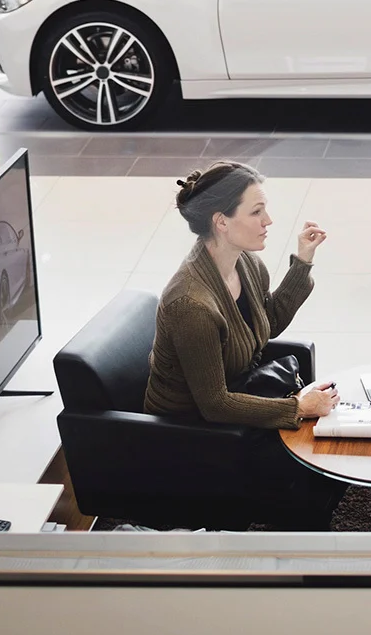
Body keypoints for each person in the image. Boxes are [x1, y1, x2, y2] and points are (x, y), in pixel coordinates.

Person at [145, 161, 346, 525]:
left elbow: (266, 325)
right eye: (256, 211)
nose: (268, 220)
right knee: (309, 470)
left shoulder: (246, 265)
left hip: (239, 395)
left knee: (327, 451)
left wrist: (302, 262)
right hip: (194, 433)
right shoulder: (191, 305)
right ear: (221, 221)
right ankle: (301, 561)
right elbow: (214, 404)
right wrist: (296, 408)